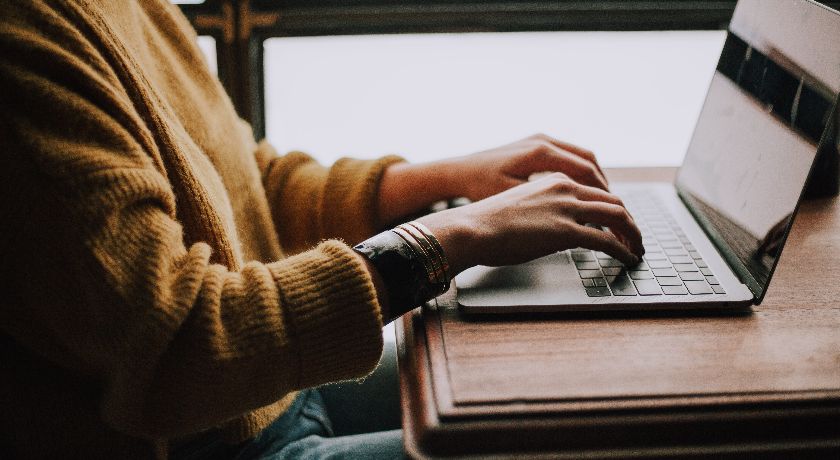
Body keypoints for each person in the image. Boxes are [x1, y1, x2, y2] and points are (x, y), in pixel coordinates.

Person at [0, 0, 643, 458]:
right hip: (202, 438)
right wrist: (453, 235)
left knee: (593, 398)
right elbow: (177, 349)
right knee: (600, 445)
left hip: (270, 394)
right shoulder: (23, 40)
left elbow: (240, 183)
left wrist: (447, 178)